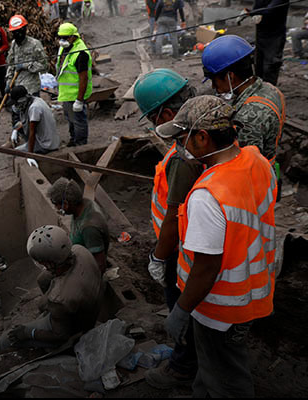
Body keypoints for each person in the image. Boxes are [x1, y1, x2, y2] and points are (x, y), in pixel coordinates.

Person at [155, 95, 277, 397]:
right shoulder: (257, 161)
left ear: (202, 137)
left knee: (227, 379)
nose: (180, 147)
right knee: (213, 370)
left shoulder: (208, 196)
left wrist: (181, 310)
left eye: (183, 138)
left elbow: (206, 267)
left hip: (218, 308)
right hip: (249, 291)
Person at [135, 68, 202, 389]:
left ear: (167, 114)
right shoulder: (208, 134)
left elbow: (174, 214)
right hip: (199, 243)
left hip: (182, 250)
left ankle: (183, 366)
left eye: (152, 119)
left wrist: (160, 257)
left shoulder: (184, 158)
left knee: (181, 309)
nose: (153, 126)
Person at [0, 225, 102, 350]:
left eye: (42, 261)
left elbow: (61, 336)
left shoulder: (60, 299)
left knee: (4, 340)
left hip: (77, 328)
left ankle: (62, 334)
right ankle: (54, 316)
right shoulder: (79, 249)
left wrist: (27, 333)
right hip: (90, 305)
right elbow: (45, 280)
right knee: (42, 279)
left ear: (50, 263)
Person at [201, 35, 286, 172]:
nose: (213, 86)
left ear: (230, 76)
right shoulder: (270, 89)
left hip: (258, 182)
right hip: (270, 168)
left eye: (214, 80)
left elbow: (245, 167)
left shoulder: (247, 118)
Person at [46, 177, 110, 273]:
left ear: (66, 204)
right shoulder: (83, 205)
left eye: (56, 204)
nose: (56, 208)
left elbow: (99, 265)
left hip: (85, 267)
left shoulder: (89, 228)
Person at [55, 22, 92, 146]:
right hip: (66, 93)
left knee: (79, 120)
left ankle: (81, 143)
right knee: (70, 119)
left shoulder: (81, 53)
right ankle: (73, 139)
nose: (62, 40)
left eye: (65, 38)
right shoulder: (65, 47)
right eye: (60, 37)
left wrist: (79, 100)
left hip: (76, 94)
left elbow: (83, 78)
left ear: (73, 36)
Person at [246, 0, 291, 85]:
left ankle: (270, 92)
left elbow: (270, 10)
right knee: (258, 66)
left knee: (270, 66)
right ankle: (259, 90)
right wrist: (250, 12)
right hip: (261, 35)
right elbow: (256, 8)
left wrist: (251, 13)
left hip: (275, 37)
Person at [5, 85, 59, 154]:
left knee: (16, 152)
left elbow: (32, 132)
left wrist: (30, 154)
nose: (16, 105)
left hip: (46, 144)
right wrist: (15, 130)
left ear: (21, 100)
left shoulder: (34, 108)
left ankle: (35, 149)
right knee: (20, 126)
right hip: (49, 139)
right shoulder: (35, 99)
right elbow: (25, 122)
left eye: (16, 103)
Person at [5, 14, 48, 98]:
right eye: (15, 32)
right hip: (17, 87)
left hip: (31, 88)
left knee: (33, 109)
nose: (18, 34)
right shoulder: (14, 44)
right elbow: (11, 65)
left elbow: (44, 65)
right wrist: (8, 83)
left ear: (25, 30)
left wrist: (25, 66)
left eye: (20, 31)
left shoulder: (35, 44)